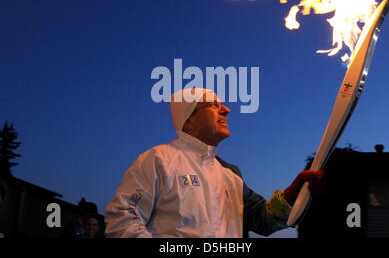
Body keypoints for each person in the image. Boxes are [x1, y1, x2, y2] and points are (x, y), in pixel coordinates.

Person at [105, 88, 324, 238]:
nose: (226, 110)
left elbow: (263, 220)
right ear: (189, 121)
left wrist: (292, 196)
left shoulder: (230, 173)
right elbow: (122, 218)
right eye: (213, 105)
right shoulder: (158, 159)